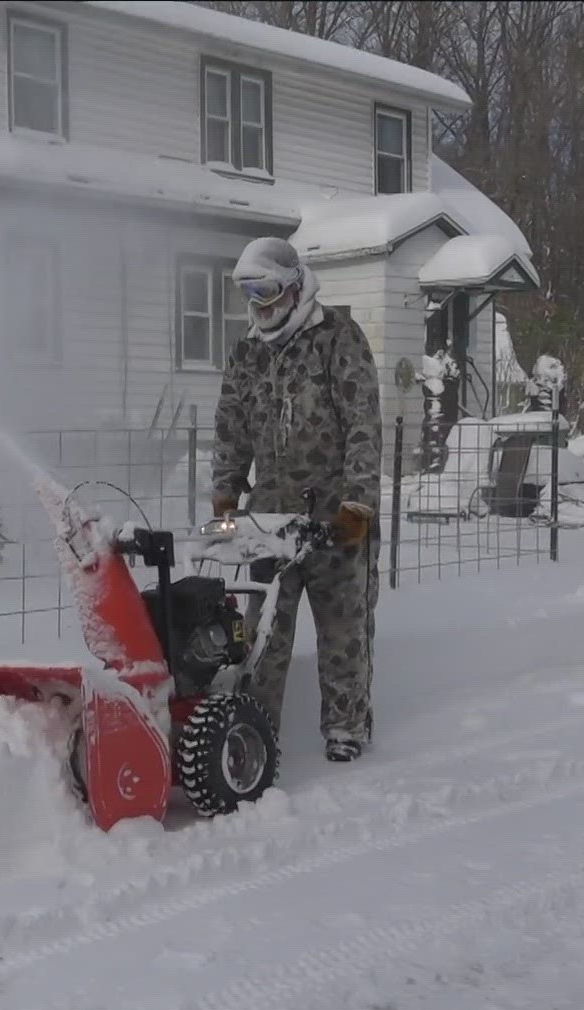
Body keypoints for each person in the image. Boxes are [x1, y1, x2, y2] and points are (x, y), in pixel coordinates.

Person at [209, 236, 382, 763]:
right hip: (269, 518)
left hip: (335, 515)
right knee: (263, 633)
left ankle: (346, 728)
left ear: (292, 286)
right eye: (250, 294)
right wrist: (226, 488)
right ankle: (257, 732)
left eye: (267, 291)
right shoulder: (246, 351)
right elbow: (231, 426)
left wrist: (358, 503)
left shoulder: (338, 338)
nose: (260, 305)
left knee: (344, 628)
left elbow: (363, 424)